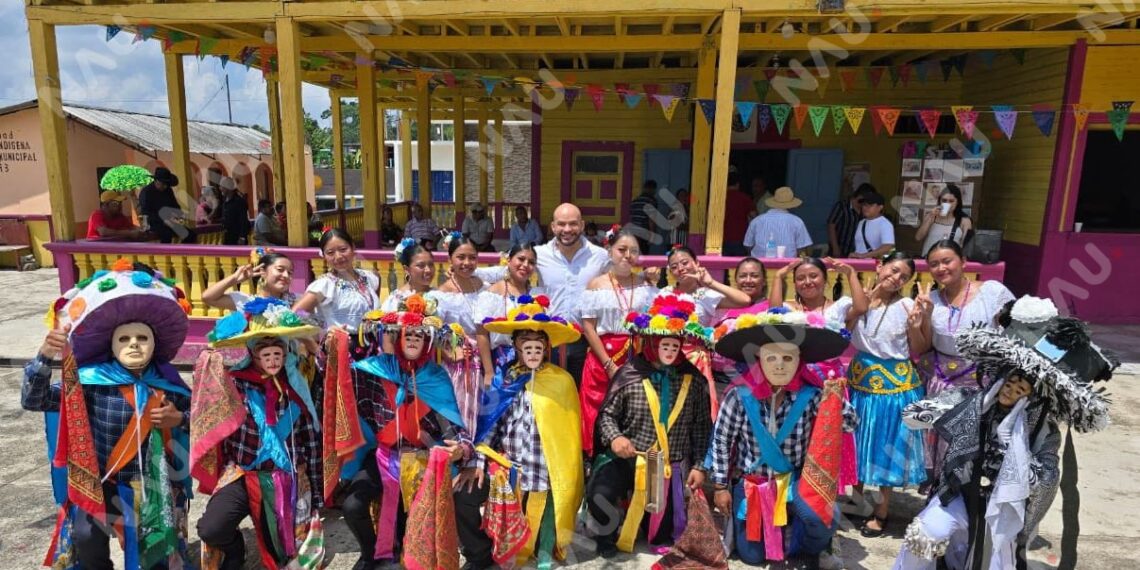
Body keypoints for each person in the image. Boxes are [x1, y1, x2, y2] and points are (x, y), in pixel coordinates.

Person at [894, 296, 1117, 570]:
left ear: (1031, 397)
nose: (1010, 392)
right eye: (1008, 385)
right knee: (924, 534)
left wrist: (1016, 452)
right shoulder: (970, 400)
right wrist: (951, 411)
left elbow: (1048, 477)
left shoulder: (1042, 431)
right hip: (958, 494)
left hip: (1000, 510)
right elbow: (911, 416)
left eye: (1020, 390)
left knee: (989, 562)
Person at [25, 260, 194, 569]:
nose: (133, 345)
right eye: (125, 339)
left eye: (142, 338)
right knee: (87, 543)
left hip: (151, 486)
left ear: (154, 345)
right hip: (101, 481)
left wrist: (179, 419)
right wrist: (44, 356)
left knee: (153, 556)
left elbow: (205, 421)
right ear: (112, 345)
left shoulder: (168, 386)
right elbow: (33, 400)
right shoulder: (90, 382)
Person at [706, 308, 857, 568]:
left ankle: (803, 550)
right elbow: (721, 440)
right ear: (759, 360)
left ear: (799, 362)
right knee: (752, 557)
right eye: (771, 358)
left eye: (788, 358)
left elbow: (850, 424)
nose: (779, 365)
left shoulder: (811, 395)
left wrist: (832, 397)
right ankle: (776, 526)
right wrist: (720, 487)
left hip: (796, 478)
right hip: (753, 482)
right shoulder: (739, 396)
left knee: (822, 518)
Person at [191, 301, 324, 570]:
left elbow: (310, 443)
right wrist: (209, 363)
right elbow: (210, 413)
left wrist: (316, 493)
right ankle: (235, 549)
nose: (274, 361)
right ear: (254, 356)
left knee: (284, 554)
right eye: (267, 356)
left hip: (285, 477)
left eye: (278, 354)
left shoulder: (296, 390)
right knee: (212, 528)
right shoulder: (236, 386)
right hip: (244, 473)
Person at [454, 299, 584, 569]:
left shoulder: (562, 381)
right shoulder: (505, 380)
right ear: (516, 347)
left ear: (546, 348)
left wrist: (560, 472)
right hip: (505, 469)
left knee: (537, 548)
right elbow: (489, 426)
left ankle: (540, 544)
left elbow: (568, 438)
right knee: (464, 495)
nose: (533, 350)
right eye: (527, 344)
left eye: (539, 344)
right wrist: (477, 462)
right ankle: (479, 554)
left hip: (544, 473)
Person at [346, 298, 473, 568]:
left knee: (411, 527)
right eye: (408, 335)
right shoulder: (375, 370)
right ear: (398, 338)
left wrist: (461, 449)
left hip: (422, 460)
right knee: (352, 506)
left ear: (427, 343)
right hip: (383, 457)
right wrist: (331, 347)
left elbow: (452, 425)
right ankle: (370, 556)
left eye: (419, 336)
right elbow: (339, 380)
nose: (413, 340)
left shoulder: (436, 377)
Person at [587, 294, 713, 558]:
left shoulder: (694, 380)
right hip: (630, 457)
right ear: (653, 343)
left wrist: (700, 466)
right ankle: (606, 539)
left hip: (670, 464)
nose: (669, 351)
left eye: (674, 346)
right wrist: (615, 439)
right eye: (664, 345)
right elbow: (607, 415)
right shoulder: (629, 373)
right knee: (601, 494)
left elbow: (702, 427)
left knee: (660, 527)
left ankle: (649, 522)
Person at [910, 239, 1015, 482]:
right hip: (940, 385)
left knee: (973, 448)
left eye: (947, 261)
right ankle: (939, 499)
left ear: (964, 262)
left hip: (981, 386)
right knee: (938, 446)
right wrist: (920, 321)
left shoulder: (991, 292)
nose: (941, 268)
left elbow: (1015, 331)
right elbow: (923, 348)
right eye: (934, 264)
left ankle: (969, 504)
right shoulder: (931, 300)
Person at [841, 252, 926, 538]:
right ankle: (856, 501)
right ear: (879, 267)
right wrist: (857, 308)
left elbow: (918, 348)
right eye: (892, 270)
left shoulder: (906, 306)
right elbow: (843, 333)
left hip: (894, 388)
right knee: (857, 443)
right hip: (860, 382)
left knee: (886, 447)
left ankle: (882, 509)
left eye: (903, 276)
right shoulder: (858, 299)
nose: (896, 278)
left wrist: (915, 324)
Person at [579, 226, 659, 456]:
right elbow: (588, 327)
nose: (627, 255)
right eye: (622, 249)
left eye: (633, 251)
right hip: (602, 357)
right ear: (610, 251)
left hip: (636, 356)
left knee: (633, 407)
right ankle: (595, 462)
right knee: (597, 408)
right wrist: (608, 364)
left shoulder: (645, 286)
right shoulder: (597, 284)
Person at [659, 245, 751, 415]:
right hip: (667, 356)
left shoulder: (707, 294)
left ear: (697, 263)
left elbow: (745, 300)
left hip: (695, 359)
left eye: (685, 263)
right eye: (674, 266)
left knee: (693, 407)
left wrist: (711, 282)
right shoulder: (664, 293)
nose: (680, 268)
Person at [432, 232, 491, 432]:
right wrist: (449, 353)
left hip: (485, 357)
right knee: (460, 408)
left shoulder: (483, 286)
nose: (467, 262)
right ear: (450, 259)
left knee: (484, 409)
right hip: (458, 363)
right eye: (461, 257)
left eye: (472, 257)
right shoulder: (443, 294)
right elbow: (434, 331)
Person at [473, 242, 542, 388]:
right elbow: (481, 333)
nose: (525, 265)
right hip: (502, 361)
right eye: (521, 259)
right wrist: (489, 371)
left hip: (532, 361)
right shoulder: (493, 293)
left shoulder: (536, 295)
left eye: (531, 262)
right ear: (509, 260)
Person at [293, 229, 380, 334]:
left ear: (353, 248)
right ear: (324, 256)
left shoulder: (369, 277)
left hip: (373, 344)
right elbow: (296, 313)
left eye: (343, 249)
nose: (338, 257)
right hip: (342, 346)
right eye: (330, 253)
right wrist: (325, 327)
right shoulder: (324, 286)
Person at [203, 248, 298, 312]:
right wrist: (234, 279)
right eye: (280, 270)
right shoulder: (246, 302)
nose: (286, 275)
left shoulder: (297, 302)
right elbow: (208, 298)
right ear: (263, 272)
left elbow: (307, 323)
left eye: (290, 273)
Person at [744, 186, 814, 258]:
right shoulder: (797, 221)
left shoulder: (757, 220)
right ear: (791, 204)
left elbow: (748, 245)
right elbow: (802, 248)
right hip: (788, 265)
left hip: (759, 264)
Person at [139, 166, 196, 243]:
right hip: (155, 223)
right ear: (156, 181)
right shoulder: (147, 192)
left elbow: (175, 206)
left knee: (190, 235)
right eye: (163, 184)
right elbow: (146, 213)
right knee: (166, 235)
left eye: (167, 184)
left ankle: (183, 253)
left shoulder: (168, 190)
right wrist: (163, 221)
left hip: (171, 222)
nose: (165, 186)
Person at [916, 183, 973, 256]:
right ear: (940, 201)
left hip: (950, 260)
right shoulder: (931, 216)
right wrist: (931, 217)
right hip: (929, 258)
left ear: (957, 202)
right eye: (944, 200)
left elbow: (966, 246)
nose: (947, 203)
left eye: (951, 201)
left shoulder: (964, 221)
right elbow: (918, 237)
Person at [827, 183, 867, 257]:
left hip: (857, 252)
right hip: (840, 248)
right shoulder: (842, 206)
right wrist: (835, 247)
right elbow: (831, 226)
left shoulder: (865, 211)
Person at [851, 192, 895, 259]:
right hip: (857, 263)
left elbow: (888, 247)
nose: (865, 207)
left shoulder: (885, 224)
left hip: (873, 265)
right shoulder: (862, 222)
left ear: (880, 207)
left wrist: (863, 255)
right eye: (864, 205)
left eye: (870, 205)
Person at [723, 173, 755, 256]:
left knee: (723, 266)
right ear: (738, 184)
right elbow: (754, 216)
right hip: (741, 237)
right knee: (739, 266)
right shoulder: (745, 198)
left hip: (721, 238)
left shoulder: (720, 198)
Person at [629, 179, 659, 254]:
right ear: (653, 189)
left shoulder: (635, 201)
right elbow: (651, 219)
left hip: (633, 231)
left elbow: (632, 217)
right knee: (644, 255)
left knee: (634, 253)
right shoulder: (651, 201)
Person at [220, 176, 251, 246]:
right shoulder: (225, 202)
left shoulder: (239, 201)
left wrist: (242, 237)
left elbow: (243, 220)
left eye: (222, 186)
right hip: (228, 237)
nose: (220, 189)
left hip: (237, 237)